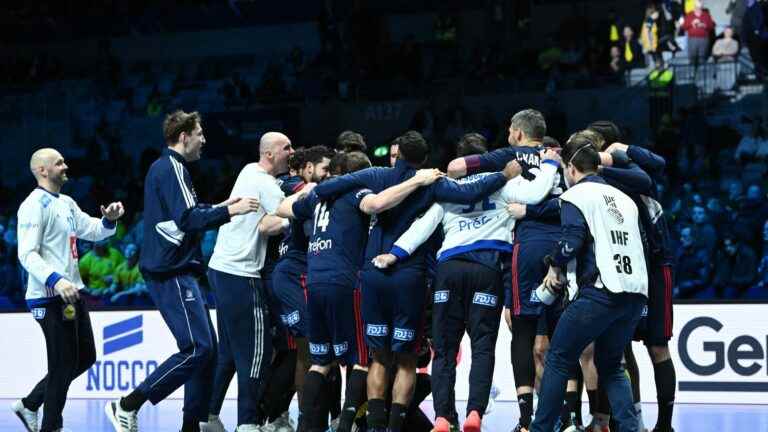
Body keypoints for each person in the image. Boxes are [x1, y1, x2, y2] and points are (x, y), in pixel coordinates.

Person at [311, 130, 521, 432]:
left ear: (394, 155)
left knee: (378, 358)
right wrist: (503, 175)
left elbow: (326, 188)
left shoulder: (375, 174)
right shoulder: (432, 182)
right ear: (424, 157)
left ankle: (375, 425)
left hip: (374, 274)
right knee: (409, 360)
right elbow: (467, 194)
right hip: (411, 277)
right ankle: (400, 426)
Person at [374, 135, 561, 432]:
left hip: (449, 269)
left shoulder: (449, 187)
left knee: (445, 350)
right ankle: (475, 413)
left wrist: (394, 254)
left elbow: (423, 226)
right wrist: (550, 164)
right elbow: (537, 193)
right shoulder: (506, 181)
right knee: (483, 347)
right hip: (486, 270)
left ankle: (442, 418)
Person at [106, 110, 261, 432]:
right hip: (171, 270)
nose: (204, 140)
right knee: (198, 348)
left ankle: (192, 425)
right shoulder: (170, 167)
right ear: (184, 136)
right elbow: (188, 221)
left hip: (179, 270)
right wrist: (229, 211)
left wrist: (220, 206)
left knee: (209, 351)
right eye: (200, 133)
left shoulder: (173, 169)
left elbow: (186, 214)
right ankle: (127, 404)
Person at [278, 151, 444, 432]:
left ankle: (307, 427)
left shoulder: (319, 197)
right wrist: (417, 181)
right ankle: (346, 425)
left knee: (320, 362)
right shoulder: (356, 193)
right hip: (346, 282)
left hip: (314, 281)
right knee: (363, 361)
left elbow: (282, 209)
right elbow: (377, 203)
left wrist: (307, 190)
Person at [447, 109, 565, 432]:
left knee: (523, 334)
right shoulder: (559, 160)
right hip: (567, 250)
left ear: (517, 133)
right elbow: (570, 201)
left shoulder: (510, 154)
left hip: (525, 249)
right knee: (561, 338)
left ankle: (528, 421)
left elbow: (458, 167)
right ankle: (569, 420)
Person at [530, 133, 648, 432]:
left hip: (600, 291)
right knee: (611, 365)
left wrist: (554, 264)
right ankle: (630, 429)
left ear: (570, 168)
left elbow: (571, 242)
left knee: (558, 357)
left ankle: (541, 428)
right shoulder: (625, 199)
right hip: (634, 294)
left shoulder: (575, 196)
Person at [13, 148, 125, 432]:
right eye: (58, 163)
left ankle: (29, 404)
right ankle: (51, 426)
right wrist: (56, 279)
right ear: (42, 170)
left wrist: (109, 220)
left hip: (70, 294)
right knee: (63, 364)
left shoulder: (67, 202)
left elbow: (92, 229)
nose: (65, 166)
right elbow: (26, 254)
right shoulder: (33, 205)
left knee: (85, 357)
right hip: (48, 297)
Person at [204, 132, 296, 432]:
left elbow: (266, 224)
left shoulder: (247, 170)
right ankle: (248, 423)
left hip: (219, 270)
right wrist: (314, 191)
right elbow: (289, 212)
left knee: (229, 352)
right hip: (241, 274)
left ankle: (209, 417)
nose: (292, 153)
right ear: (269, 154)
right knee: (257, 352)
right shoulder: (265, 183)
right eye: (287, 148)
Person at [680, 1, 716, 69]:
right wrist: (691, 23)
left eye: (699, 8)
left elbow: (712, 25)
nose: (698, 9)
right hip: (692, 39)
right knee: (692, 57)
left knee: (702, 57)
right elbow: (683, 27)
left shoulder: (707, 15)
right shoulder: (689, 15)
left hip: (704, 39)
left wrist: (704, 25)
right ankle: (692, 74)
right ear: (694, 7)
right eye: (696, 7)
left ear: (702, 7)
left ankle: (701, 75)